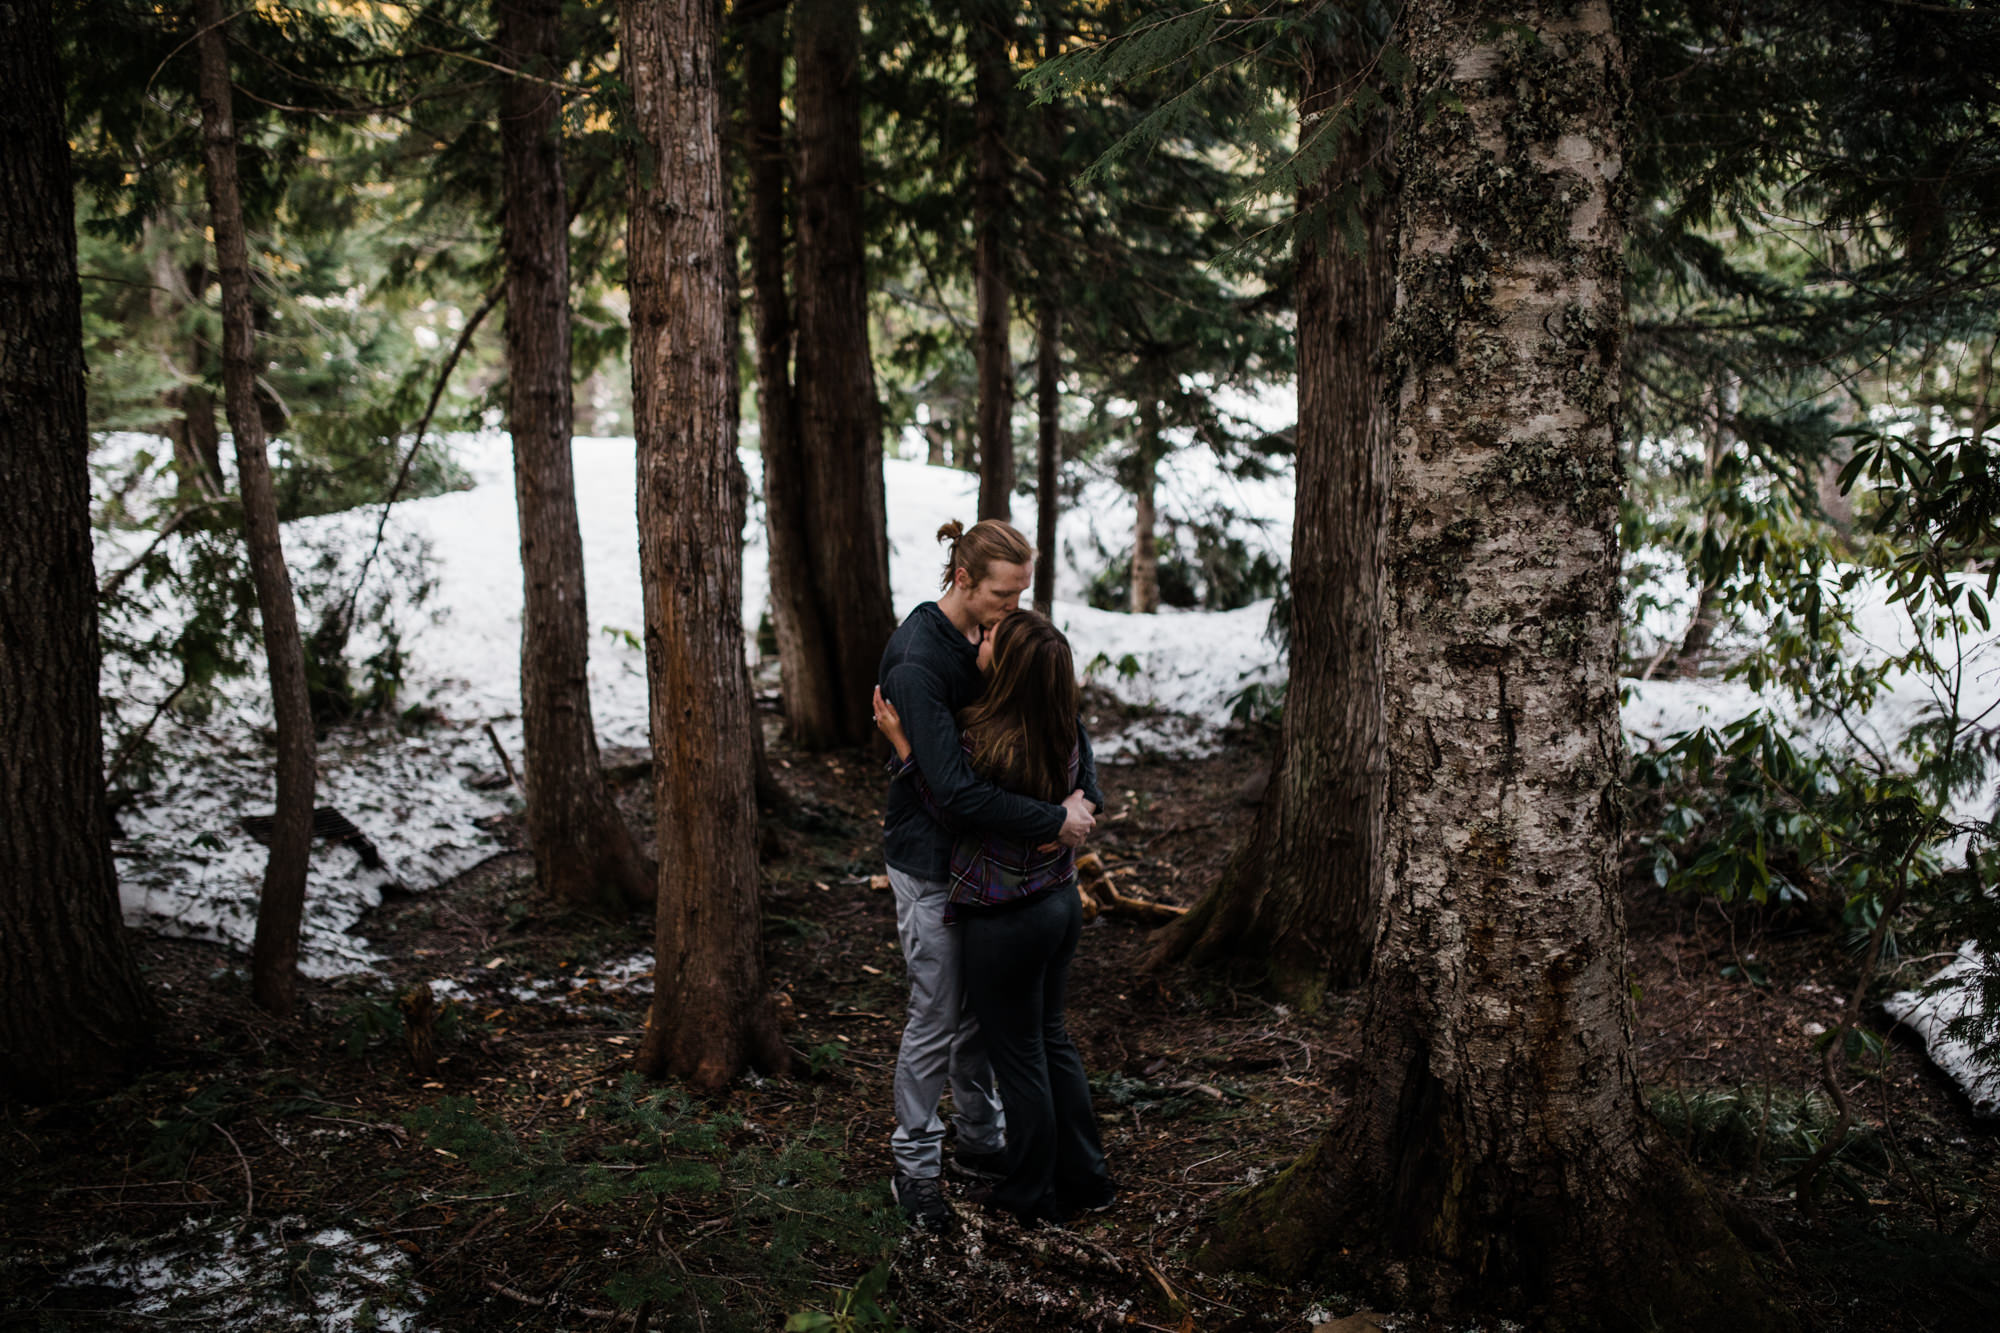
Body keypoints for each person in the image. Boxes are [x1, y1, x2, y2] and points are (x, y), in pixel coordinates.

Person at [877, 519, 1098, 1232]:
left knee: (983, 1019)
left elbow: (1060, 712)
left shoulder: (998, 633)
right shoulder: (918, 660)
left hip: (999, 873)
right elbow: (955, 793)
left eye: (1023, 592)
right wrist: (1050, 821)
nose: (1016, 607)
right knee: (938, 1017)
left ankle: (980, 1137)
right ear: (964, 580)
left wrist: (1079, 799)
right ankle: (914, 1166)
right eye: (1006, 593)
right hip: (936, 864)